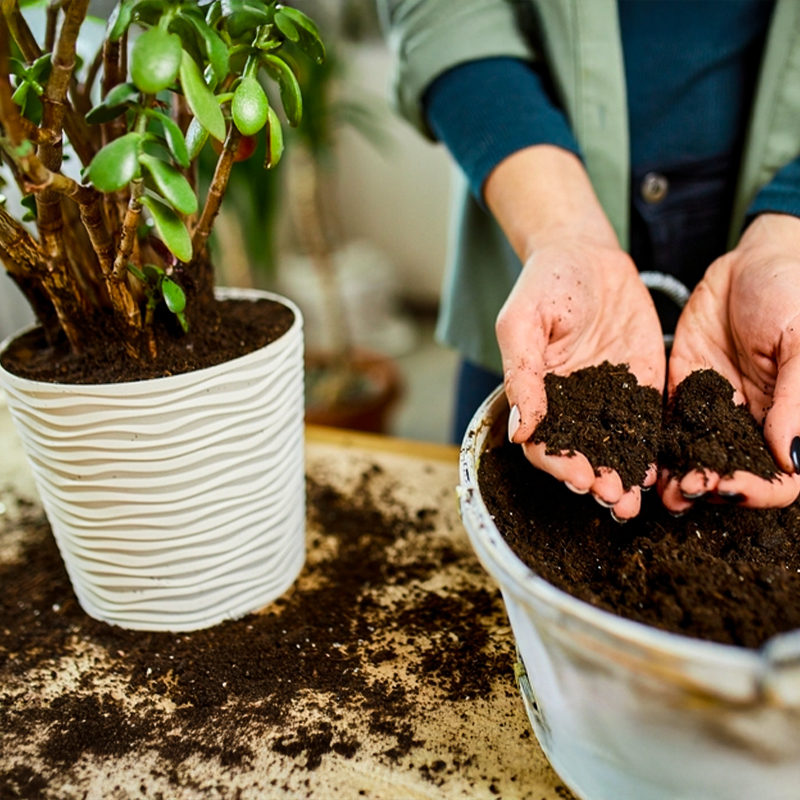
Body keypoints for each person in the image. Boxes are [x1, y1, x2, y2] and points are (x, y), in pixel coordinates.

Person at [378, 0, 800, 520]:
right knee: (506, 524)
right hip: (534, 201)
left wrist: (789, 229)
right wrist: (560, 229)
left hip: (772, 221)